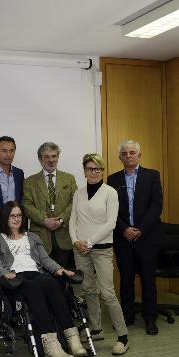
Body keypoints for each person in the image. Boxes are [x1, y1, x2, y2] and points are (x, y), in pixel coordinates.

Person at [0, 201, 87, 357]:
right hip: (15, 279)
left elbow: (45, 259)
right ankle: (51, 345)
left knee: (51, 282)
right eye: (12, 216)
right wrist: (4, 273)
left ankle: (72, 339)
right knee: (37, 285)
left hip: (35, 275)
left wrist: (59, 269)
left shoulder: (32, 237)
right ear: (5, 218)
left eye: (19, 215)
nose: (16, 219)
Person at [69, 154, 129, 355]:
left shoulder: (110, 192)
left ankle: (123, 337)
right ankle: (95, 329)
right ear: (84, 171)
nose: (93, 172)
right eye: (89, 169)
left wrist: (89, 242)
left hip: (101, 248)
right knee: (88, 291)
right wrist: (75, 241)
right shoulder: (79, 193)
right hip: (81, 250)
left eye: (97, 169)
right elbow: (72, 220)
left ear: (102, 171)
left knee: (107, 293)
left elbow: (111, 223)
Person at [107, 140, 164, 335]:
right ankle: (127, 316)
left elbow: (156, 205)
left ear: (139, 155)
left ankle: (150, 318)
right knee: (126, 279)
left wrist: (140, 229)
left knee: (148, 279)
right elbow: (111, 210)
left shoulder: (152, 176)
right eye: (125, 153)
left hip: (147, 237)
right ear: (120, 157)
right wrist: (124, 229)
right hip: (123, 238)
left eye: (132, 153)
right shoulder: (113, 180)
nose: (129, 156)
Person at [23, 142, 77, 268]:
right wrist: (44, 220)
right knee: (43, 278)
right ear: (40, 159)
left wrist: (61, 219)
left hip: (64, 235)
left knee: (63, 275)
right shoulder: (29, 182)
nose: (51, 160)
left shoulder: (69, 179)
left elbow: (74, 202)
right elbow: (27, 205)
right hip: (40, 236)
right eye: (46, 157)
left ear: (58, 157)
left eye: (54, 156)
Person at [0, 136, 25, 233]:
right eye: (4, 151)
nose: (8, 155)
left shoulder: (19, 173)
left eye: (11, 151)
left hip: (16, 226)